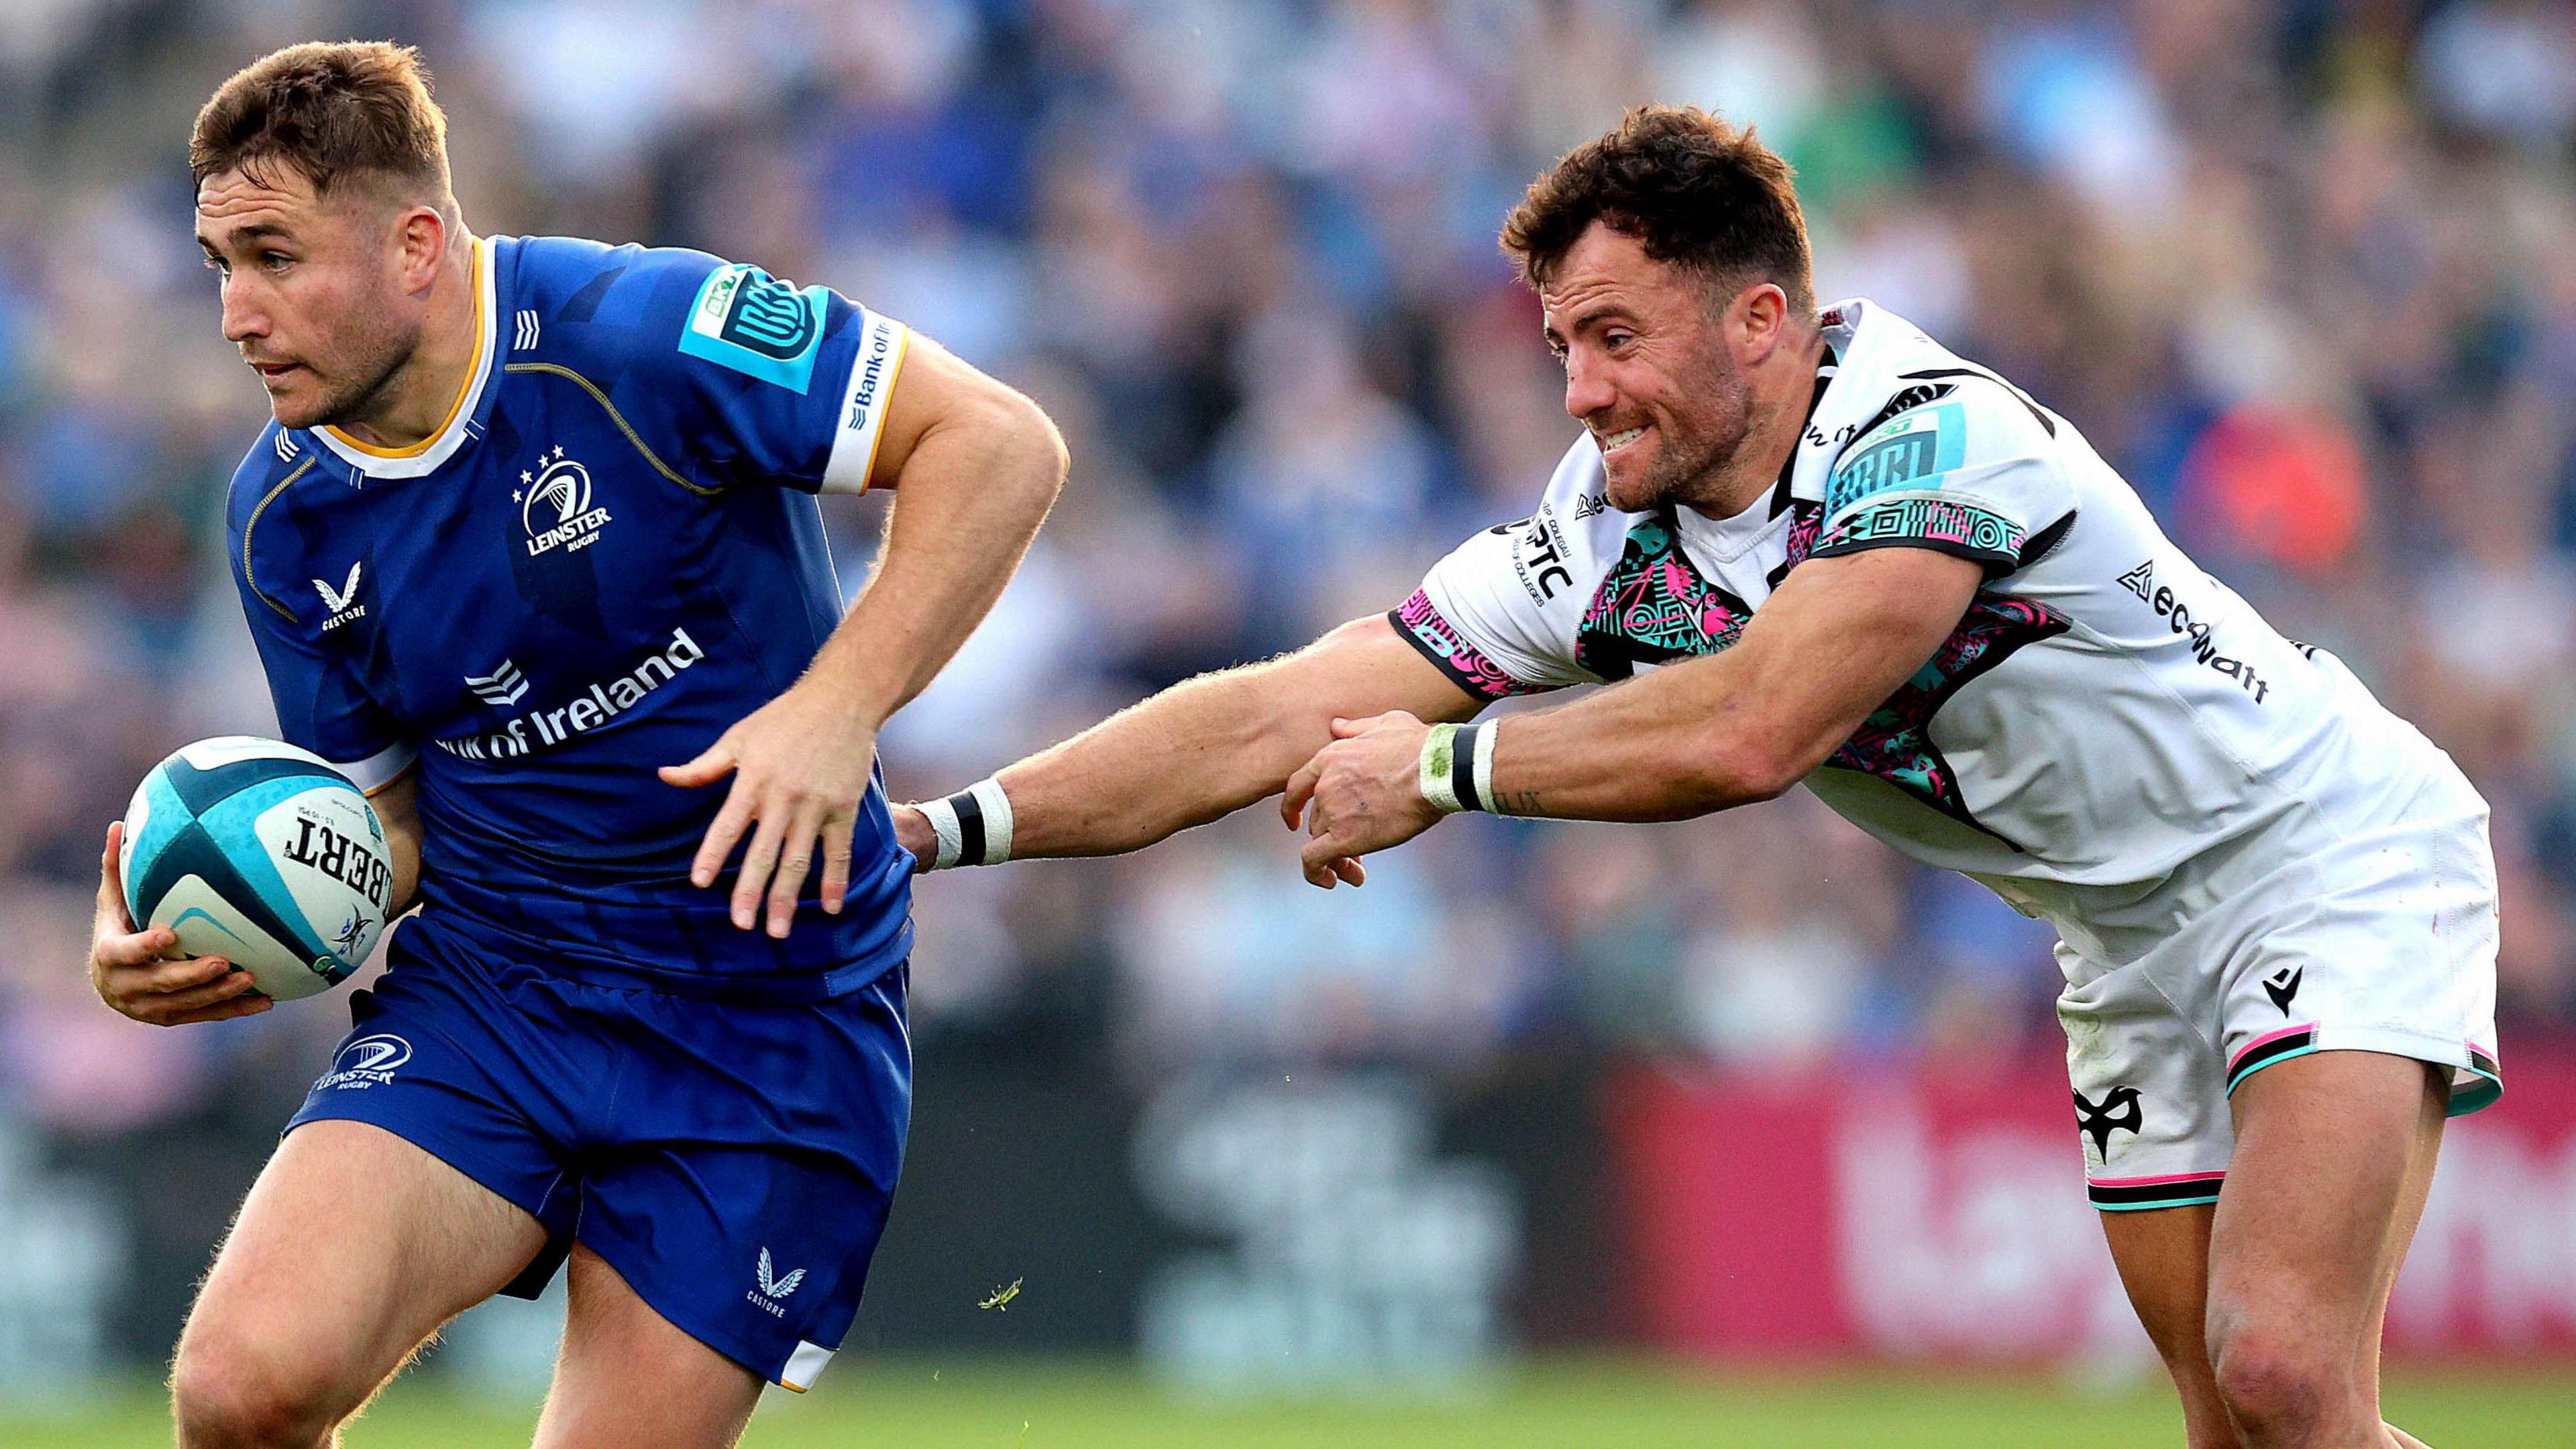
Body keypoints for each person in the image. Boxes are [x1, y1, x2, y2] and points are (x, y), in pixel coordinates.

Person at [898, 107, 2494, 1449]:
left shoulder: (1933, 443)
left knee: (2290, 1375)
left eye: (1614, 339)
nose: (1581, 391)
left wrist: (1447, 770)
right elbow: (1276, 711)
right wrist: (941, 829)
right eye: (1561, 348)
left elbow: (1756, 728)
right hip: (2124, 947)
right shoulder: (1599, 540)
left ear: (1758, 322)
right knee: (2241, 1430)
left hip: (2320, 850)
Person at [85, 40, 1065, 1449]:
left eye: (273, 257)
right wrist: (226, 915)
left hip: (764, 1014)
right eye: (216, 263)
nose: (235, 312)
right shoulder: (280, 519)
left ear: (416, 244)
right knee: (237, 1394)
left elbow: (1002, 444)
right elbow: (389, 828)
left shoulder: (643, 330)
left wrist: (837, 709)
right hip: (500, 991)